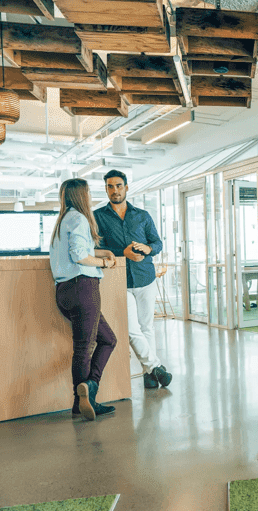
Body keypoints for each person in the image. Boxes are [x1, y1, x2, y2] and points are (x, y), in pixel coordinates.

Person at [94, 170, 173, 389]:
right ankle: (155, 366)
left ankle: (149, 373)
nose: (115, 190)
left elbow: (157, 243)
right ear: (106, 189)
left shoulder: (142, 215)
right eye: (110, 186)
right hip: (120, 281)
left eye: (118, 186)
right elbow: (96, 248)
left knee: (147, 327)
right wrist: (122, 253)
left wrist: (148, 248)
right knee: (131, 329)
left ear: (126, 188)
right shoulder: (98, 217)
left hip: (145, 277)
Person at [50, 178, 118, 421]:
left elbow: (77, 250)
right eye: (88, 192)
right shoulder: (79, 218)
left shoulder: (63, 221)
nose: (90, 196)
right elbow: (79, 256)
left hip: (64, 291)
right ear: (81, 195)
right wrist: (104, 263)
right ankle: (83, 399)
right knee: (84, 348)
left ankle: (88, 390)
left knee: (108, 339)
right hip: (83, 288)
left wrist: (102, 251)